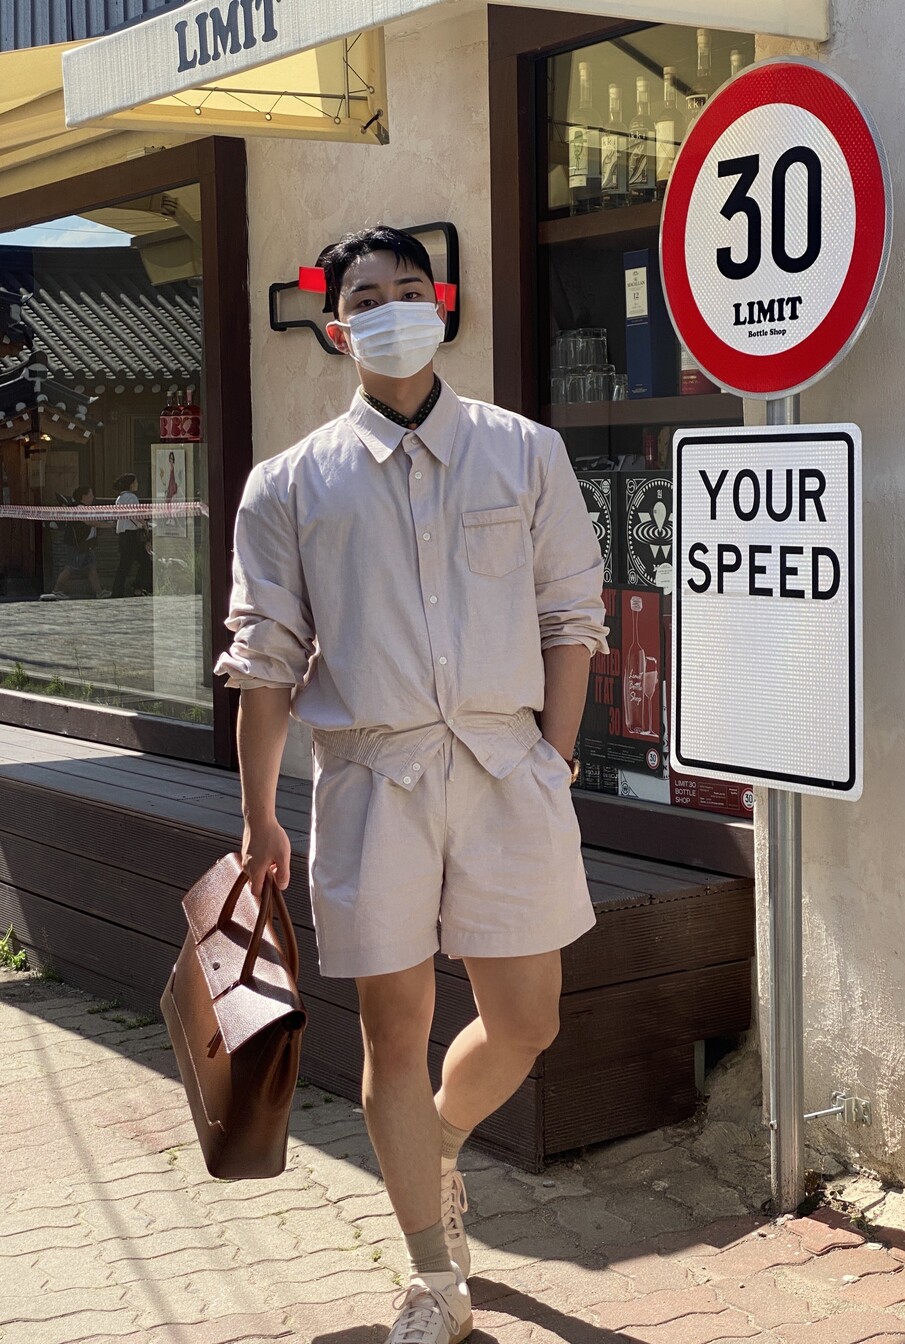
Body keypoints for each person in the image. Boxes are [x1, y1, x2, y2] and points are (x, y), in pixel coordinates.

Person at [215, 226, 608, 1344]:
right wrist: (258, 817)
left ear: (439, 305)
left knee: (526, 1021)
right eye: (364, 296)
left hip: (506, 771)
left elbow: (571, 614)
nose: (389, 308)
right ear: (337, 326)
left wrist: (555, 755)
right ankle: (434, 1276)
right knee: (394, 1032)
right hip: (371, 781)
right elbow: (265, 661)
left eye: (406, 289)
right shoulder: (289, 485)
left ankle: (433, 1143)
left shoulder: (524, 453)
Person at [40, 484, 111, 600]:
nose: (93, 497)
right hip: (77, 545)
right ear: (83, 496)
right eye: (90, 494)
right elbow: (90, 522)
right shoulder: (80, 508)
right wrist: (109, 525)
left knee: (91, 567)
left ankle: (99, 592)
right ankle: (56, 591)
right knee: (70, 567)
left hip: (87, 545)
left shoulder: (86, 508)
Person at [111, 474, 153, 598]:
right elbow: (135, 515)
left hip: (123, 535)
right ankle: (137, 588)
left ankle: (121, 591)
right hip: (132, 535)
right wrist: (144, 524)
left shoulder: (119, 498)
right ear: (131, 484)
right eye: (135, 482)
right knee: (145, 563)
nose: (137, 484)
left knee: (126, 565)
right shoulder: (132, 497)